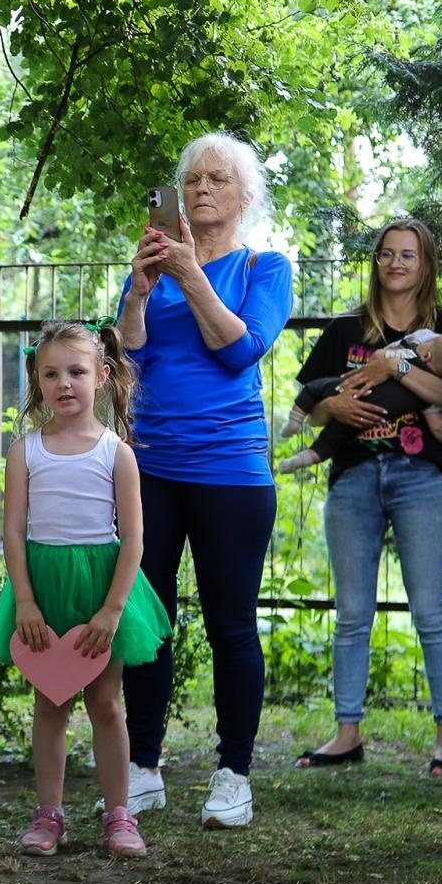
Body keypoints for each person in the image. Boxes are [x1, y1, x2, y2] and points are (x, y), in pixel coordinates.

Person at [115, 131, 294, 827]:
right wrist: (138, 290)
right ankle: (143, 765)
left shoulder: (264, 266)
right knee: (147, 623)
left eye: (218, 180)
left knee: (230, 625)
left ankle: (233, 773)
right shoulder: (159, 265)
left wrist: (190, 276)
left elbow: (239, 348)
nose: (201, 190)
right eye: (192, 180)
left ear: (244, 196)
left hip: (231, 472)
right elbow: (127, 349)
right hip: (151, 467)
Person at [292, 220, 442, 777]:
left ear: (426, 265)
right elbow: (313, 407)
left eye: (408, 256)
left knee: (431, 613)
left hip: (423, 478)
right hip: (353, 478)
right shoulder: (345, 328)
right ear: (375, 262)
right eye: (387, 254)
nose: (396, 263)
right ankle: (347, 734)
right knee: (351, 614)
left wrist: (397, 367)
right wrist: (333, 411)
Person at [0, 320, 170, 856]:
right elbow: (13, 531)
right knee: (50, 701)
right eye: (51, 374)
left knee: (107, 703)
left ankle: (120, 815)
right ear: (37, 381)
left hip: (101, 586)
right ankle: (49, 815)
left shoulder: (118, 452)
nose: (64, 383)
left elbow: (133, 539)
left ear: (103, 376)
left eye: (76, 372)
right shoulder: (26, 451)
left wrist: (113, 610)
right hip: (42, 587)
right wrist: (24, 599)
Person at [278, 332, 442, 473]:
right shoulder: (427, 395)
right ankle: (302, 459)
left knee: (314, 388)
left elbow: (379, 356)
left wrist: (391, 362)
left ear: (427, 355)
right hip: (362, 420)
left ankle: (294, 421)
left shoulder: (406, 353)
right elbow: (440, 428)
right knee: (330, 442)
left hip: (346, 387)